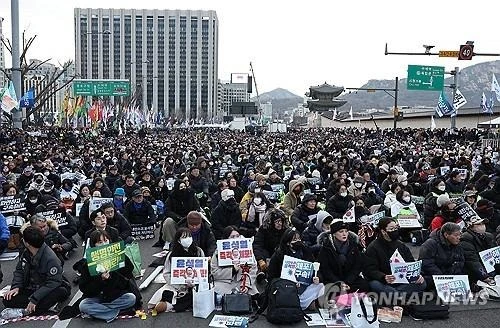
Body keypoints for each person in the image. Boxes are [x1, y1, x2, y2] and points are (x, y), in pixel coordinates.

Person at [3, 226, 70, 315]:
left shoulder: (50, 258)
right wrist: (16, 286)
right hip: (31, 287)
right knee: (7, 299)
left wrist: (35, 299)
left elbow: (53, 282)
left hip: (48, 288)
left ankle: (29, 309)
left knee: (61, 291)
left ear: (27, 243)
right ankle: (41, 307)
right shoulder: (26, 252)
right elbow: (19, 270)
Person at [78, 230, 137, 323]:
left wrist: (121, 258)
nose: (104, 244)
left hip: (115, 295)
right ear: (94, 245)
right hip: (97, 296)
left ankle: (101, 312)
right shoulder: (87, 263)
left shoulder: (117, 255)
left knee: (131, 298)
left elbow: (129, 270)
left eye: (106, 241)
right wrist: (100, 280)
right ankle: (117, 312)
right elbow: (84, 288)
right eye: (100, 242)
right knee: (83, 305)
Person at [364, 217, 426, 299]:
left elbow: (410, 262)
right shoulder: (373, 247)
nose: (395, 231)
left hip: (401, 279)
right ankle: (400, 295)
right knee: (374, 284)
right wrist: (383, 277)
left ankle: (396, 295)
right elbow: (369, 270)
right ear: (383, 231)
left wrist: (417, 274)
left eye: (396, 228)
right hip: (384, 281)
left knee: (422, 283)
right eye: (391, 229)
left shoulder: (400, 245)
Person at [150, 227, 205, 312]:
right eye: (184, 237)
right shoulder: (172, 254)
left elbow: (203, 270)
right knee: (166, 293)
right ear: (178, 240)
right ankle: (169, 304)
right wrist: (179, 285)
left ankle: (170, 305)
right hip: (176, 286)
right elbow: (166, 273)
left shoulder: (198, 251)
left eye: (189, 236)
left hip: (195, 285)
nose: (188, 239)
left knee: (197, 295)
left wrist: (195, 283)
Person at [267, 228, 324, 310]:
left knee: (321, 286)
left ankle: (305, 303)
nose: (298, 241)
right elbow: (271, 277)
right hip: (285, 288)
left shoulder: (305, 251)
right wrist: (288, 283)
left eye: (299, 239)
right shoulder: (279, 255)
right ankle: (305, 304)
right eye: (294, 240)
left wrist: (317, 277)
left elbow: (315, 269)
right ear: (288, 243)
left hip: (304, 286)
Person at [318, 219, 370, 293]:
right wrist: (339, 283)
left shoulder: (353, 245)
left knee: (364, 285)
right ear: (334, 234)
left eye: (346, 231)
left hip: (350, 280)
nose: (344, 234)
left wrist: (348, 282)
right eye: (341, 232)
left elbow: (357, 265)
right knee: (330, 290)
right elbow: (325, 269)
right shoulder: (326, 247)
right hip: (334, 280)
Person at [211, 226, 259, 296]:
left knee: (252, 293)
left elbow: (253, 269)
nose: (235, 239)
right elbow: (214, 272)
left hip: (242, 281)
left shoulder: (246, 249)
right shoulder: (218, 252)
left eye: (237, 236)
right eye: (232, 237)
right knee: (216, 289)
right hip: (225, 283)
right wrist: (232, 270)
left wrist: (246, 284)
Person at [419, 222, 465, 288]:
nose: (459, 237)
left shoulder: (457, 244)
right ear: (446, 235)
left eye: (460, 234)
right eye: (456, 235)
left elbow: (461, 260)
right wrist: (442, 277)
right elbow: (426, 263)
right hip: (434, 275)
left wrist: (454, 274)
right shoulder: (430, 244)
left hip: (449, 274)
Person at [460, 216, 499, 286]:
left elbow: (496, 253)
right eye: (479, 224)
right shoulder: (465, 239)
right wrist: (485, 276)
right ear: (470, 226)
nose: (482, 226)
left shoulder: (489, 236)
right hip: (476, 274)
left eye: (483, 223)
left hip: (491, 269)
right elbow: (472, 261)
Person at [252, 209, 288, 278]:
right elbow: (257, 244)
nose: (279, 223)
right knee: (262, 252)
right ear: (271, 223)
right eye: (276, 222)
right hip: (267, 254)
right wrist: (260, 260)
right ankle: (261, 272)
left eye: (280, 221)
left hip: (281, 254)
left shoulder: (286, 230)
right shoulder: (264, 229)